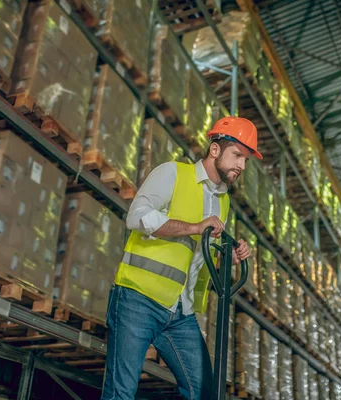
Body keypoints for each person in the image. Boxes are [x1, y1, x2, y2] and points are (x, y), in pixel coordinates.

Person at [101, 116, 263, 400]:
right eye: (237, 155)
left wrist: (230, 259)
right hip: (138, 299)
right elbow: (136, 216)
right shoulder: (173, 174)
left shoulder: (223, 202)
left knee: (203, 392)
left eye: (246, 160)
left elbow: (201, 257)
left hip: (181, 313)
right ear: (215, 150)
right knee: (120, 393)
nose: (242, 165)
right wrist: (193, 227)